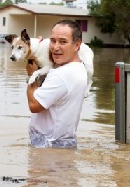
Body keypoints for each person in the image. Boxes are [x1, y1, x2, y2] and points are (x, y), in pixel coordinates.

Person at [26, 19, 88, 148]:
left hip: (47, 145)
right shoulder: (79, 68)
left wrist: (31, 77)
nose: (55, 47)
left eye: (63, 42)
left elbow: (34, 105)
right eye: (52, 41)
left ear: (77, 45)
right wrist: (40, 51)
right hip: (66, 142)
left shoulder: (60, 75)